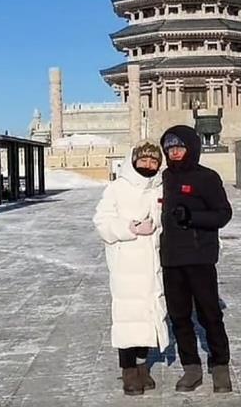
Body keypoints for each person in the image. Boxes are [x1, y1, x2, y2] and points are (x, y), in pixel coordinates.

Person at [159, 125, 233, 394]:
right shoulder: (163, 178)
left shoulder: (207, 178)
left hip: (200, 257)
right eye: (170, 148)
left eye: (179, 147)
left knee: (210, 314)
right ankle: (191, 367)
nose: (175, 152)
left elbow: (223, 214)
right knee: (179, 316)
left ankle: (220, 365)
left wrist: (192, 217)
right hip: (171, 259)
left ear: (191, 147)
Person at [93, 141, 168, 396]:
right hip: (126, 263)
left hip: (152, 262)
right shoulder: (117, 188)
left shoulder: (158, 187)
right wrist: (130, 228)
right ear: (134, 161)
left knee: (148, 314)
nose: (148, 165)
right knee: (127, 317)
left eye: (153, 161)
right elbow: (102, 221)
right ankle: (128, 370)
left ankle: (142, 366)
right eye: (144, 160)